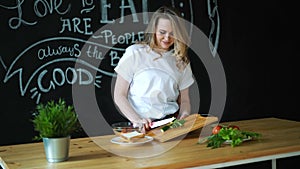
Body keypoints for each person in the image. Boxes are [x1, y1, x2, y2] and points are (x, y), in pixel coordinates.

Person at [113, 6, 194, 132]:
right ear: (154, 29)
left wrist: (184, 116)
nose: (167, 38)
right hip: (138, 127)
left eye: (172, 34)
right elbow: (119, 95)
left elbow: (184, 101)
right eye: (162, 32)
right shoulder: (135, 53)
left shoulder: (181, 62)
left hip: (169, 127)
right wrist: (137, 120)